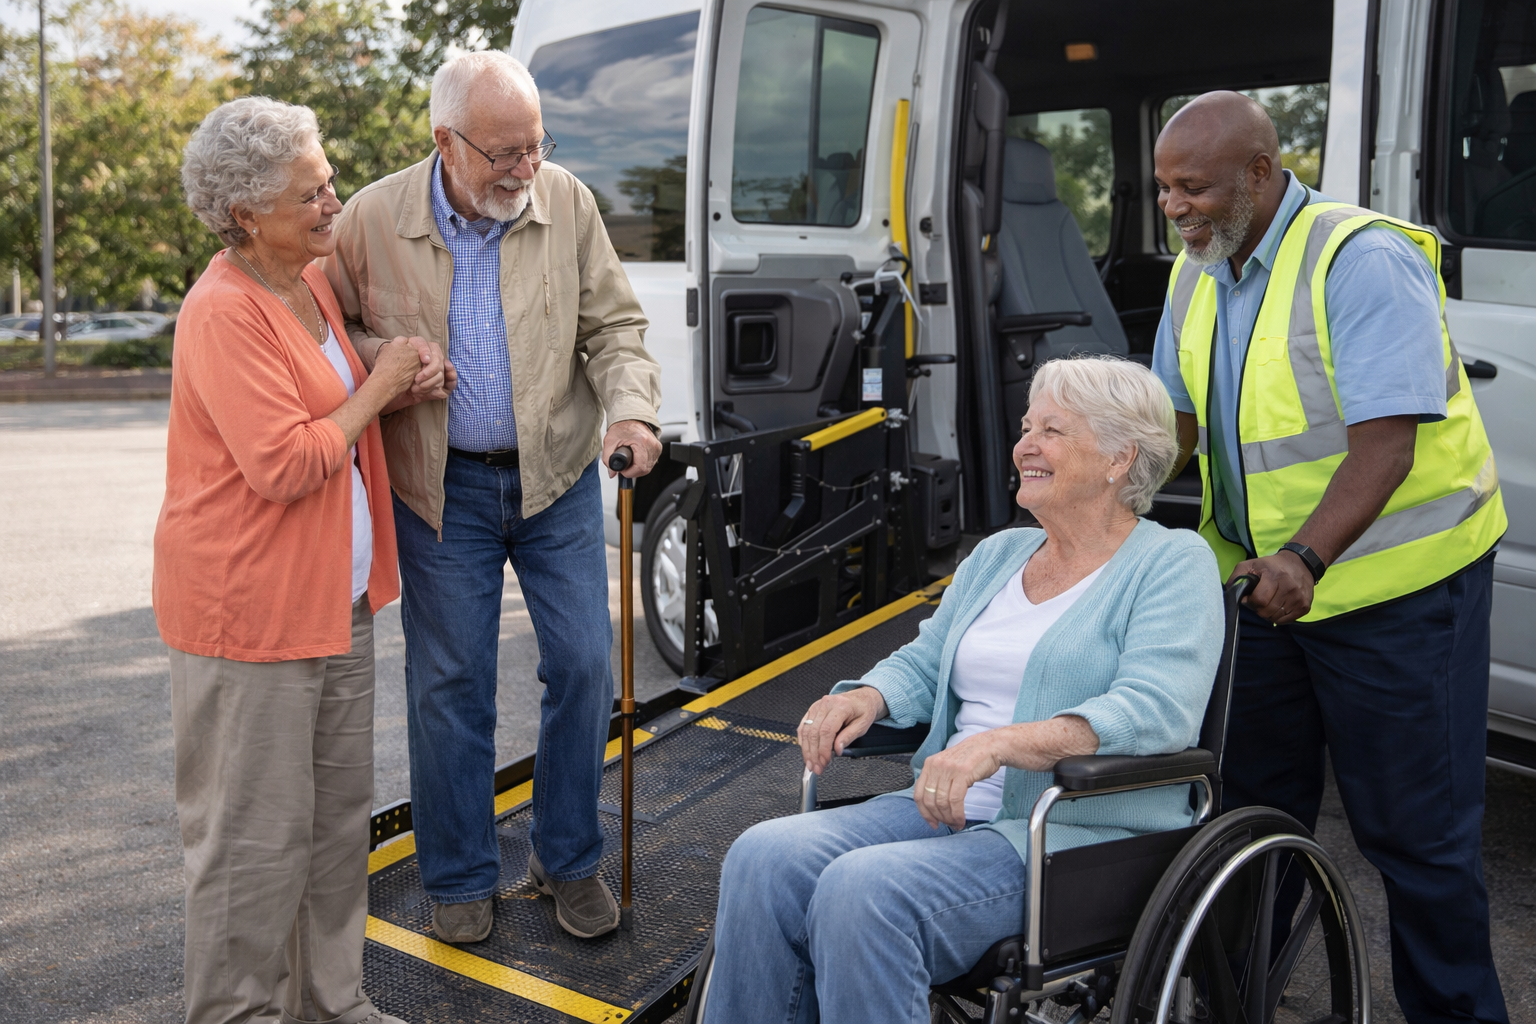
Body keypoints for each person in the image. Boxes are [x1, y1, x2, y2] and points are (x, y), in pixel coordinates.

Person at [703, 357, 1225, 1024]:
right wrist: (867, 696)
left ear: (1121, 458)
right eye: (1026, 426)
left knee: (862, 892)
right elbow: (926, 662)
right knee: (762, 856)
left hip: (1068, 835)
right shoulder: (999, 554)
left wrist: (1002, 745)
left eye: (1052, 431)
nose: (1024, 446)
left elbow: (1155, 712)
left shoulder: (1171, 564)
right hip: (945, 808)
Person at [1151, 91, 1509, 1023]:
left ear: (1261, 174)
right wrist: (1093, 504)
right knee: (1247, 822)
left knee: (1417, 841)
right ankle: (1241, 1006)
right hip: (1260, 592)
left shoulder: (1361, 258)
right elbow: (1171, 428)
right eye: (1162, 188)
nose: (1174, 206)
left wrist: (1305, 557)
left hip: (1397, 595)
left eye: (1193, 186)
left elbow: (1384, 446)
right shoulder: (1197, 268)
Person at [323, 51, 662, 944]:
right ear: (446, 141)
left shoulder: (567, 201)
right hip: (441, 491)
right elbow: (330, 330)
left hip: (552, 479)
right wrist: (385, 366)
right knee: (450, 682)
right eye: (504, 153)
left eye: (535, 147)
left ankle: (567, 857)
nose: (525, 170)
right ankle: (461, 874)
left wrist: (632, 413)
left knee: (587, 666)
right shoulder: (372, 217)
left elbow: (615, 327)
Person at [159, 96, 447, 1024]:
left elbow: (335, 387)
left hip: (336, 602)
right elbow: (285, 462)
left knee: (330, 829)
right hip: (249, 616)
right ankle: (238, 1013)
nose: (333, 203)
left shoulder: (308, 279)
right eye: (309, 194)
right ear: (245, 214)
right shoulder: (222, 310)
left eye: (328, 181)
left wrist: (395, 372)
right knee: (250, 845)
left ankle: (332, 1002)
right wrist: (383, 389)